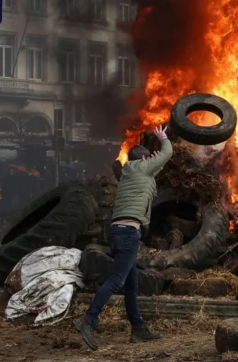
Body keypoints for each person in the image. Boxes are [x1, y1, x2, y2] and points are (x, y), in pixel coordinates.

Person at [74, 125, 172, 350]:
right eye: (149, 159)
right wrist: (163, 137)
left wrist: (154, 159)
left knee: (131, 284)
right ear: (144, 159)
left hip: (117, 231)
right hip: (128, 232)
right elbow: (168, 153)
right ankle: (88, 319)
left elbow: (156, 168)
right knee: (117, 280)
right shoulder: (141, 170)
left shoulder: (131, 171)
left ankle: (138, 329)